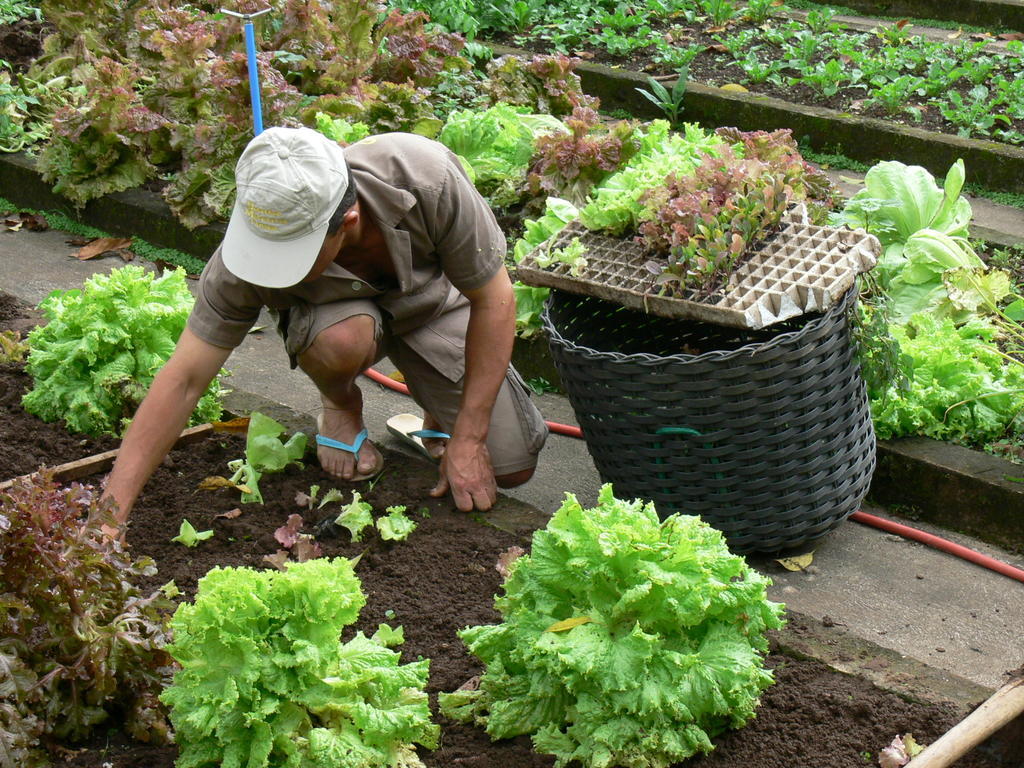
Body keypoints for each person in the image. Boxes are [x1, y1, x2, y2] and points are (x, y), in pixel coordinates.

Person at [100, 126, 548, 538]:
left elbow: (495, 300)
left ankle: (439, 414)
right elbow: (184, 380)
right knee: (342, 339)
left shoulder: (427, 178)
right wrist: (108, 516)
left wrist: (469, 438)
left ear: (348, 220)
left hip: (431, 306)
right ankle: (339, 405)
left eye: (291, 254)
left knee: (510, 467)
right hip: (334, 323)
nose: (269, 269)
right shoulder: (243, 258)